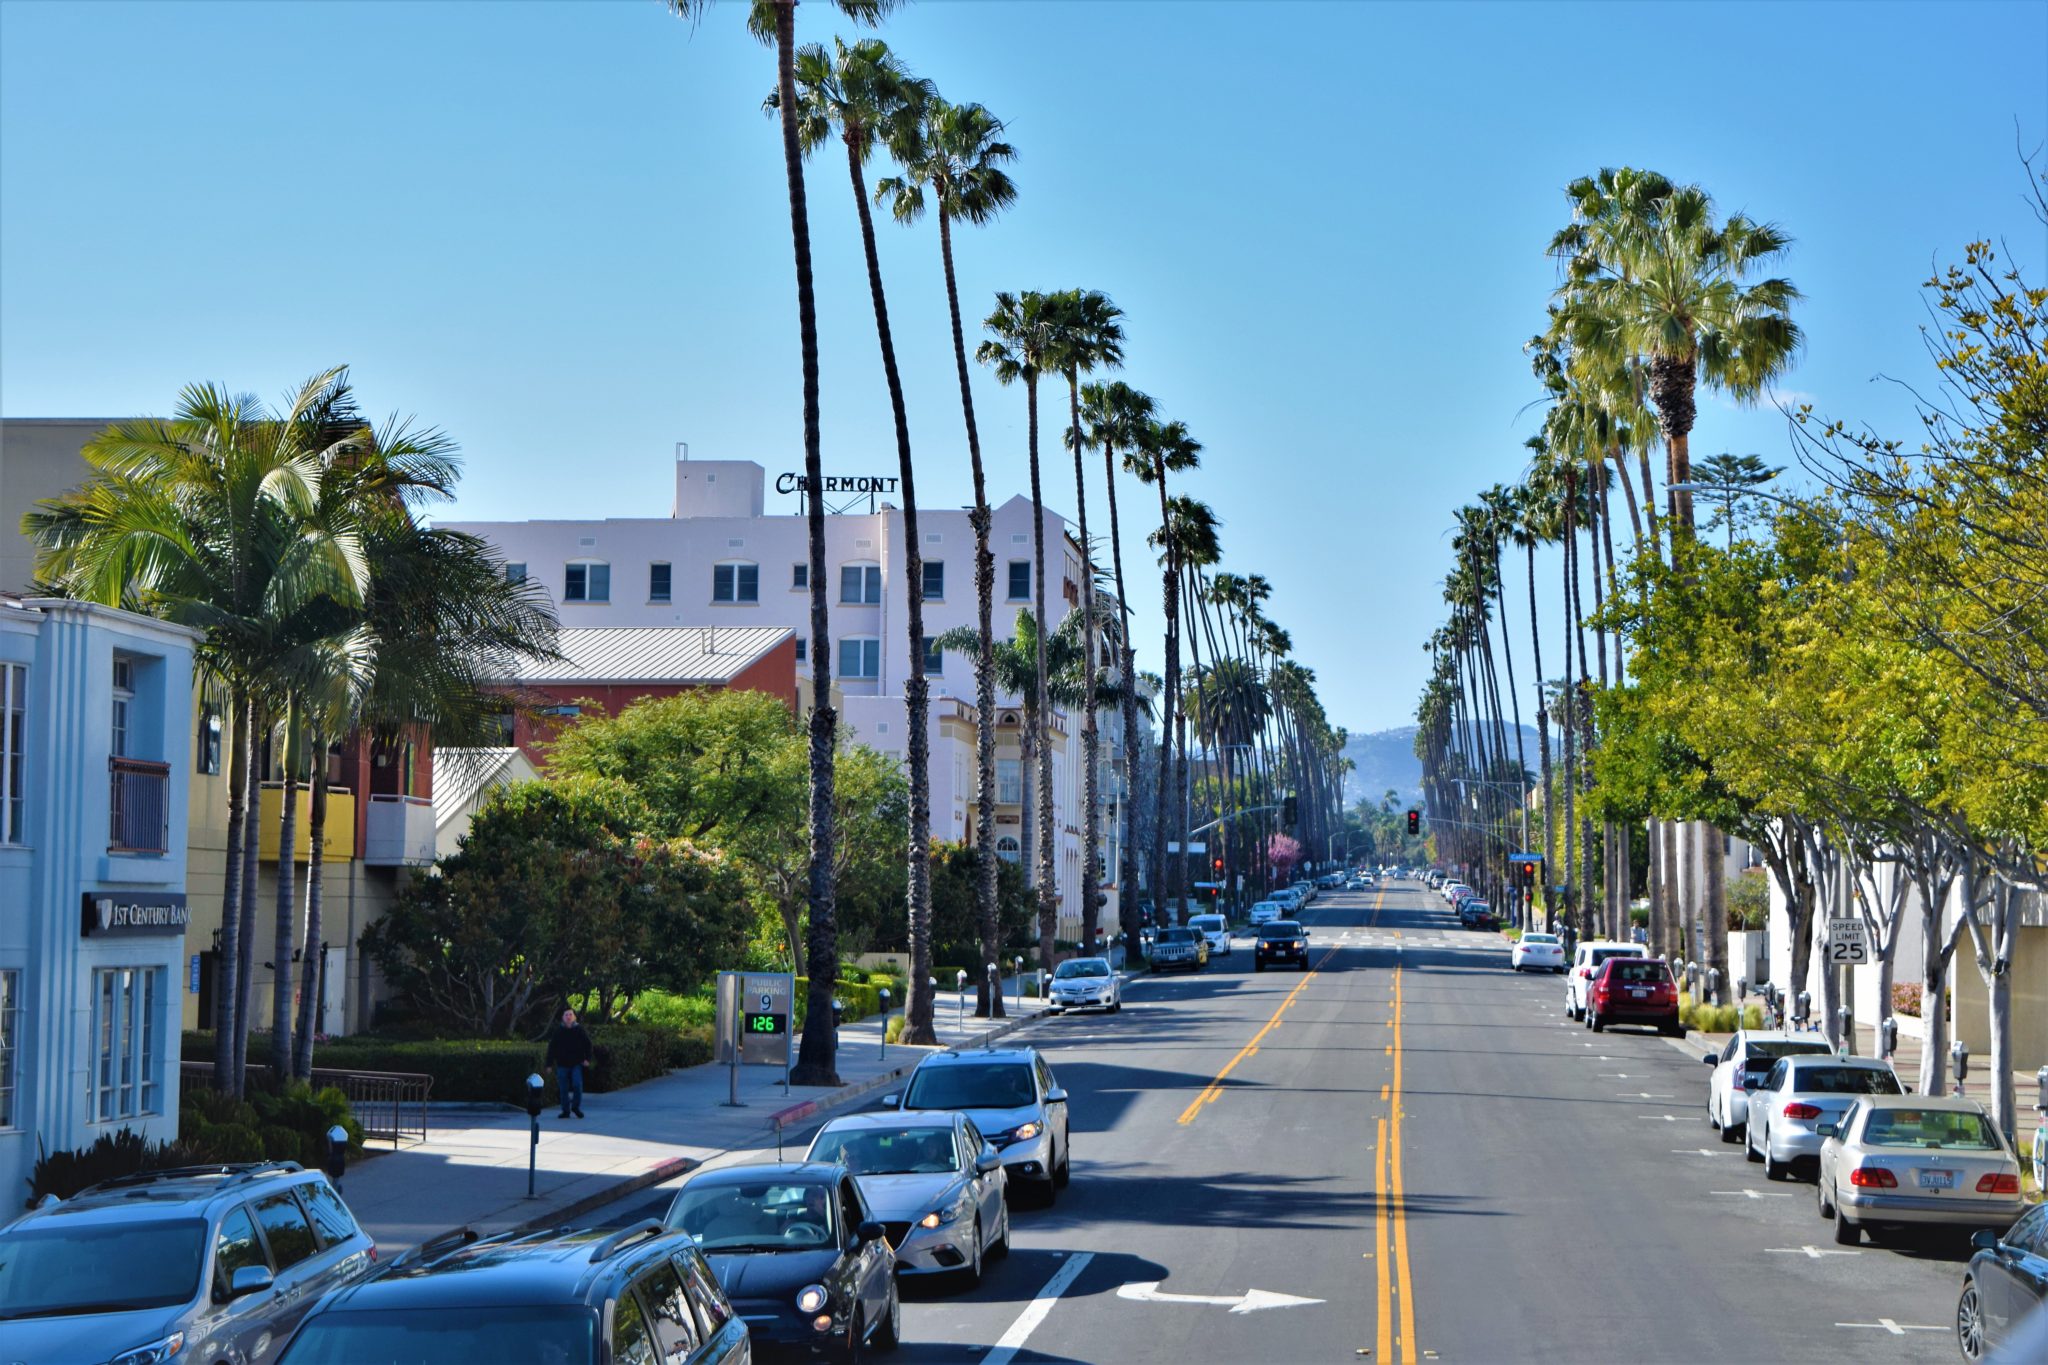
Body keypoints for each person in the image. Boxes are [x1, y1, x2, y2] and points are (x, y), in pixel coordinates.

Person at [546, 1007, 594, 1119]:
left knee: (577, 1085)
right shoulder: (559, 1031)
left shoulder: (579, 1030)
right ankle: (565, 1110)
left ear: (574, 1017)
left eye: (570, 1014)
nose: (568, 1017)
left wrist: (587, 1059)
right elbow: (552, 1048)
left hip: (576, 1063)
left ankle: (576, 1107)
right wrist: (549, 1064)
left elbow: (588, 1045)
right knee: (563, 1088)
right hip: (562, 1064)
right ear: (563, 1017)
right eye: (566, 1015)